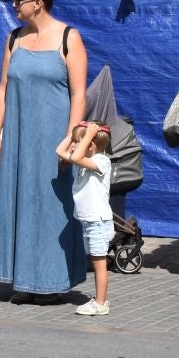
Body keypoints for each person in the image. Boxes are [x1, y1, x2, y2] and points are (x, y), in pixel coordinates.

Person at [0, 0, 88, 300]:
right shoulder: (13, 38)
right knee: (19, 202)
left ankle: (50, 282)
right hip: (19, 138)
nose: (13, 5)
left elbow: (79, 94)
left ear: (37, 3)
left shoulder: (68, 37)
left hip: (53, 139)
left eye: (18, 0)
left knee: (51, 207)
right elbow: (3, 89)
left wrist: (71, 139)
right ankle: (23, 281)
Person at [58, 120, 114, 315]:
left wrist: (88, 135)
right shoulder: (84, 161)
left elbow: (76, 156)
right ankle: (100, 301)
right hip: (89, 221)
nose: (73, 145)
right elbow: (60, 151)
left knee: (99, 263)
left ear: (91, 145)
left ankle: (101, 303)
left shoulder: (101, 161)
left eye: (77, 142)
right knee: (96, 261)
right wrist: (74, 133)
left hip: (98, 222)